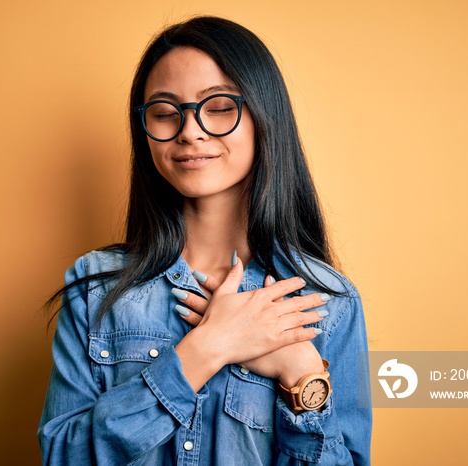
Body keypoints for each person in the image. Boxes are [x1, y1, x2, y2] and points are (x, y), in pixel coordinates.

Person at [38, 16, 371, 466]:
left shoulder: (327, 301)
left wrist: (304, 376)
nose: (190, 131)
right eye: (164, 112)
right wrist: (206, 349)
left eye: (218, 107)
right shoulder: (96, 286)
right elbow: (61, 457)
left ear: (263, 117)